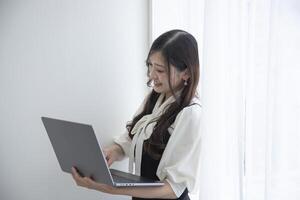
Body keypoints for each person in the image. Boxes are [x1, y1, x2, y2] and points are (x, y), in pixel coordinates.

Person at [71, 29, 202, 200]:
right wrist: (113, 151)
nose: (152, 75)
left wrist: (110, 188)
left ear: (186, 72)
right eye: (150, 65)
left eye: (160, 70)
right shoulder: (156, 97)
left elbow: (173, 187)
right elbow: (132, 138)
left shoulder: (190, 114)